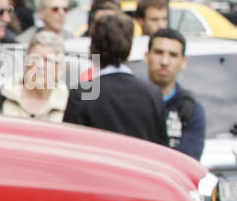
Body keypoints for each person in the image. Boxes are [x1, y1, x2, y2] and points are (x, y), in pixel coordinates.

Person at [63, 9, 166, 144]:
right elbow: (162, 146)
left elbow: (71, 145)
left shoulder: (83, 93)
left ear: (92, 48)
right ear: (129, 47)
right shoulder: (152, 93)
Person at [145, 27, 205, 159]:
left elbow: (188, 162)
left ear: (183, 62)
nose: (164, 61)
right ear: (147, 57)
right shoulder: (129, 102)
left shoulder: (191, 110)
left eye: (173, 55)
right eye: (159, 52)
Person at [0, 30, 70, 121]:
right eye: (35, 58)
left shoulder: (68, 105)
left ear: (60, 68)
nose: (40, 66)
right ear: (25, 62)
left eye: (48, 60)